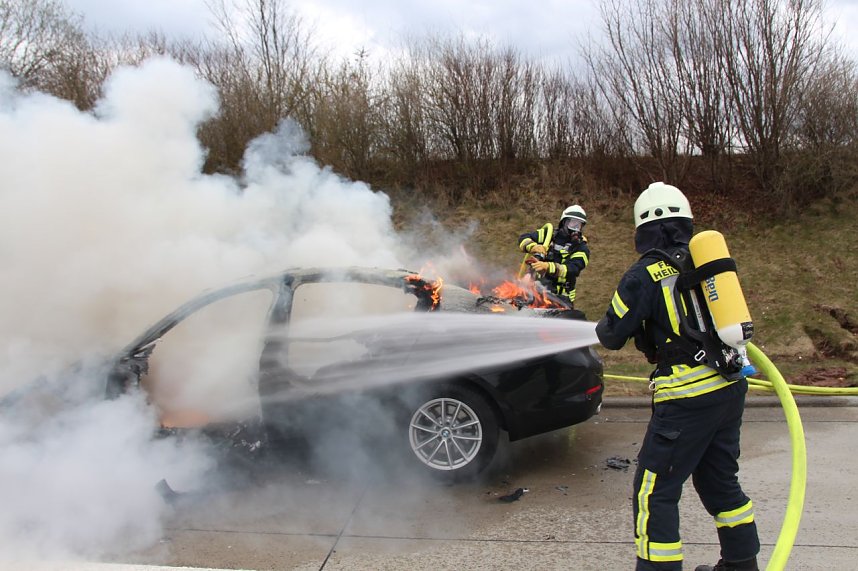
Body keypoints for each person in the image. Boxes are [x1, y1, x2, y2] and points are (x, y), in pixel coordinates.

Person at [595, 182, 760, 571]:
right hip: (728, 387)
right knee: (720, 482)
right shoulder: (703, 260)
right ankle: (741, 565)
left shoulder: (644, 273)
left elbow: (611, 334)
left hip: (686, 396)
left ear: (642, 228)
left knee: (654, 494)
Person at [517, 204, 590, 308]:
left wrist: (547, 266)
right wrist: (533, 246)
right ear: (564, 222)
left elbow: (573, 269)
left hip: (562, 298)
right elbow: (523, 238)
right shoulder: (548, 234)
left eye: (579, 225)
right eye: (573, 224)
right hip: (538, 290)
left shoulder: (581, 247)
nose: (576, 229)